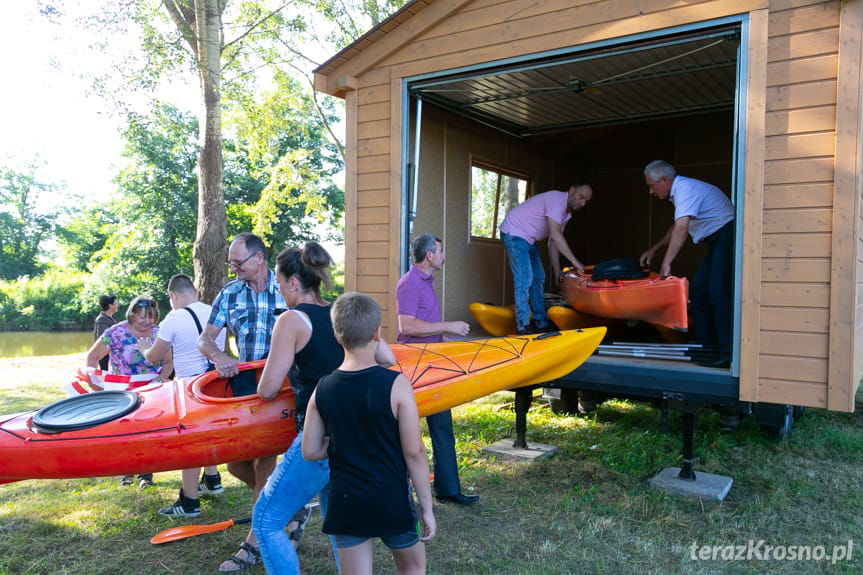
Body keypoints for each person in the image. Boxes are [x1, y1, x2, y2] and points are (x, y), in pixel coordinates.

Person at [252, 242, 397, 574]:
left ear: (293, 282)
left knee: (266, 521)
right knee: (339, 527)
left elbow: (269, 389)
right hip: (356, 437)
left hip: (318, 440)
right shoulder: (341, 314)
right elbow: (387, 358)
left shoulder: (291, 320)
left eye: (278, 281)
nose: (277, 288)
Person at [303, 292, 436, 575]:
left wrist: (346, 441)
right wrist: (427, 507)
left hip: (347, 502)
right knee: (413, 568)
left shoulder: (322, 388)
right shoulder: (397, 384)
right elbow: (414, 451)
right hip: (392, 500)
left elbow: (310, 450)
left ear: (337, 336)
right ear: (378, 332)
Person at [197, 233, 286, 572]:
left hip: (281, 385)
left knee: (265, 461)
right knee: (235, 463)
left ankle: (254, 543)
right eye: (231, 263)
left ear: (260, 258)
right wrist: (219, 355)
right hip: (245, 385)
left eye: (239, 262)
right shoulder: (230, 293)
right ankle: (285, 505)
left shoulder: (285, 290)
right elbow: (205, 339)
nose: (233, 268)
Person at [396, 233, 477, 507]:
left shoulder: (427, 283)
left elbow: (425, 326)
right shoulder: (408, 284)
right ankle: (401, 490)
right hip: (413, 370)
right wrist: (448, 326)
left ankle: (449, 489)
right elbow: (406, 326)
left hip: (434, 365)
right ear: (429, 255)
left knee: (443, 427)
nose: (443, 256)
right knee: (406, 433)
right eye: (440, 251)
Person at [139, 274, 227, 517]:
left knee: (191, 442)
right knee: (208, 433)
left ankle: (189, 502)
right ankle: (212, 479)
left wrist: (143, 348)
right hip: (217, 383)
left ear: (173, 295)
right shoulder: (214, 311)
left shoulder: (174, 318)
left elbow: (154, 357)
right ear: (195, 291)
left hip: (190, 387)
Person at [639, 160, 735, 368]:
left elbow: (682, 229)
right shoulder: (680, 191)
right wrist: (654, 250)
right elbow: (677, 226)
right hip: (717, 240)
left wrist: (666, 264)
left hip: (728, 235)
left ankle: (728, 353)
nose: (651, 192)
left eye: (652, 186)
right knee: (699, 292)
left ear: (664, 180)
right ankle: (708, 349)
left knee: (718, 292)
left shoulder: (685, 189)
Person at [85, 295, 172, 489]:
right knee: (125, 431)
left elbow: (167, 362)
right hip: (122, 393)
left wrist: (162, 377)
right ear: (132, 314)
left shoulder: (159, 333)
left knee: (148, 432)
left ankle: (146, 475)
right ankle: (126, 471)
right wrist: (95, 380)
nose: (147, 321)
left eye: (151, 317)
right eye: (142, 317)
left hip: (152, 391)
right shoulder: (116, 332)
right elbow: (93, 357)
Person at [499, 184, 593, 335]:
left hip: (528, 239)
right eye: (581, 197)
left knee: (538, 278)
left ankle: (540, 322)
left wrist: (557, 271)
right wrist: (576, 263)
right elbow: (556, 234)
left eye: (586, 201)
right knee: (525, 277)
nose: (582, 203)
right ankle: (522, 325)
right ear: (571, 190)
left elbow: (553, 241)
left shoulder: (566, 214)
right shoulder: (556, 199)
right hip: (514, 233)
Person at [93, 294, 118, 371]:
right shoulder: (102, 320)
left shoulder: (113, 318)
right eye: (116, 303)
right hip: (105, 354)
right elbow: (103, 338)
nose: (118, 305)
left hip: (113, 352)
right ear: (110, 305)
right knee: (106, 375)